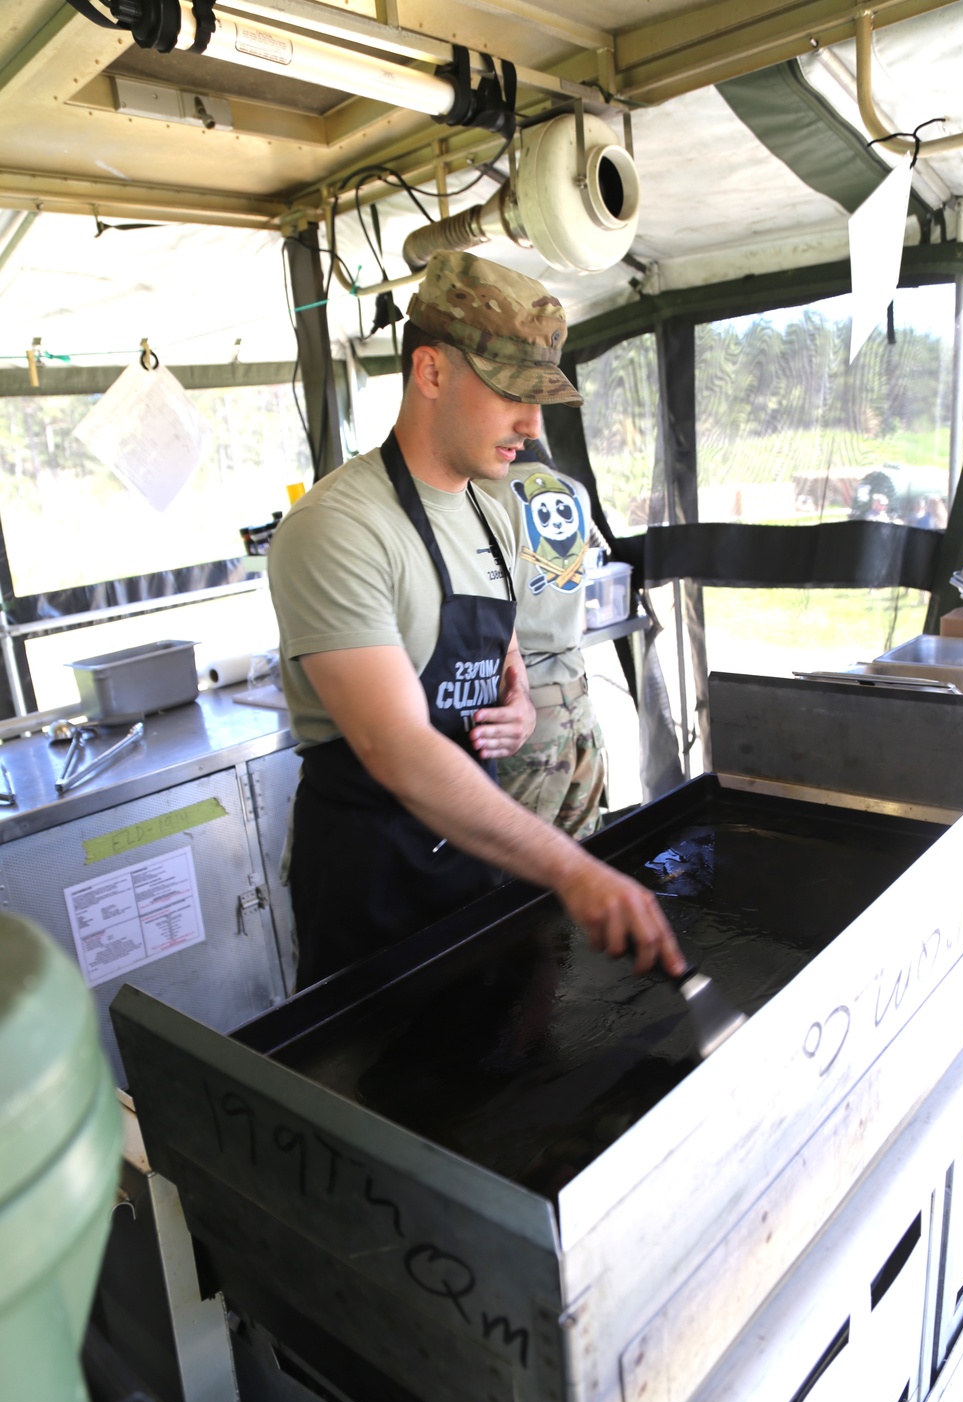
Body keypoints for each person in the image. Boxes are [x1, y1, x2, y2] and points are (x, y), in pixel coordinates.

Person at [268, 249, 682, 990]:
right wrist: (573, 868)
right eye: (510, 393)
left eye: (542, 398)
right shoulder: (339, 527)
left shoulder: (490, 513)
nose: (531, 423)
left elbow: (502, 659)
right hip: (375, 890)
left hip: (476, 861)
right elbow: (395, 747)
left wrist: (517, 707)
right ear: (430, 372)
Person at [480, 443, 606, 838]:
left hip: (524, 712)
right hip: (579, 703)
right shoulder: (576, 491)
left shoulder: (482, 494)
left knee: (519, 871)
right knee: (586, 862)